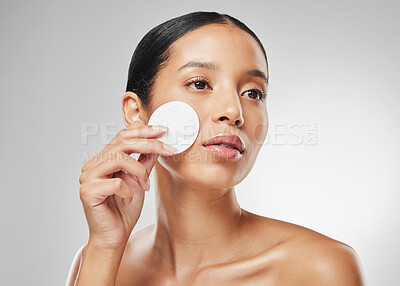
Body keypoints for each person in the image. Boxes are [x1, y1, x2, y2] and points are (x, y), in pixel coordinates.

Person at [67, 11, 366, 285]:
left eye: (253, 92)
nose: (233, 111)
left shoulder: (319, 269)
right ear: (136, 112)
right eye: (200, 84)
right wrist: (104, 247)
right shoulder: (98, 263)